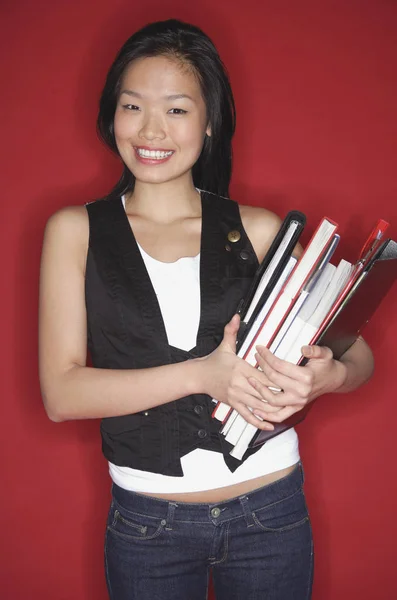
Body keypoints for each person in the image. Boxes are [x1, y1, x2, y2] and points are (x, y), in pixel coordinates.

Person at [39, 19, 374, 600]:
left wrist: (327, 376)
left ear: (210, 121)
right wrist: (201, 373)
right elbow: (62, 394)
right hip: (148, 525)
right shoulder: (76, 231)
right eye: (132, 106)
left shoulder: (258, 228)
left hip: (271, 509)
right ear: (110, 115)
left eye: (176, 110)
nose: (151, 129)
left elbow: (357, 353)